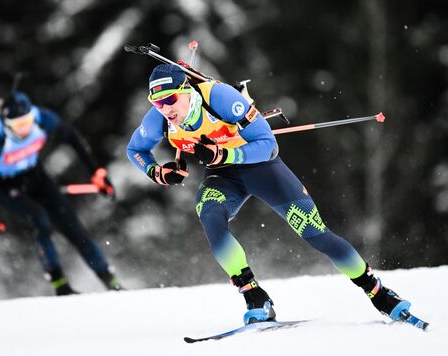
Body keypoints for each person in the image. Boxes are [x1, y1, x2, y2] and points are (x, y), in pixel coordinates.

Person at [126, 63, 413, 324]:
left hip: (262, 167)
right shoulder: (158, 120)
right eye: (157, 102)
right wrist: (157, 172)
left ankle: (378, 293)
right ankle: (255, 297)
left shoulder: (221, 98)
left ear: (186, 90)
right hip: (223, 177)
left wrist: (223, 153)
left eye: (170, 100)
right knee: (209, 216)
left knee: (316, 234)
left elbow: (268, 145)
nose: (165, 108)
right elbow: (135, 150)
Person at [0, 91, 122, 295]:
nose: (24, 128)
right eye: (17, 125)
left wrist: (96, 172)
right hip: (2, 185)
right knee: (40, 219)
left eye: (27, 121)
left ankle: (111, 283)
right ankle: (60, 285)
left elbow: (72, 136)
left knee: (73, 226)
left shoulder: (43, 119)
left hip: (34, 175)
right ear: (6, 124)